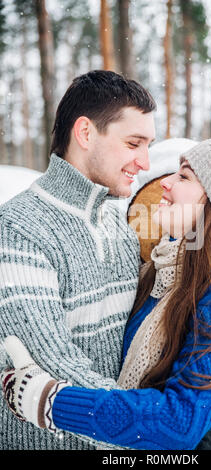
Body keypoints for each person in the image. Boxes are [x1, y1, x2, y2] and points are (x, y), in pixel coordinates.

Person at [3, 137, 211, 450]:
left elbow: (177, 422)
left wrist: (51, 401)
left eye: (184, 176)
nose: (167, 183)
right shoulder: (162, 271)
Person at [0, 69, 156, 450]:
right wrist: (152, 429)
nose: (146, 162)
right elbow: (51, 363)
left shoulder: (118, 227)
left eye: (149, 145)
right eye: (134, 143)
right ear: (85, 133)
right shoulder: (18, 230)